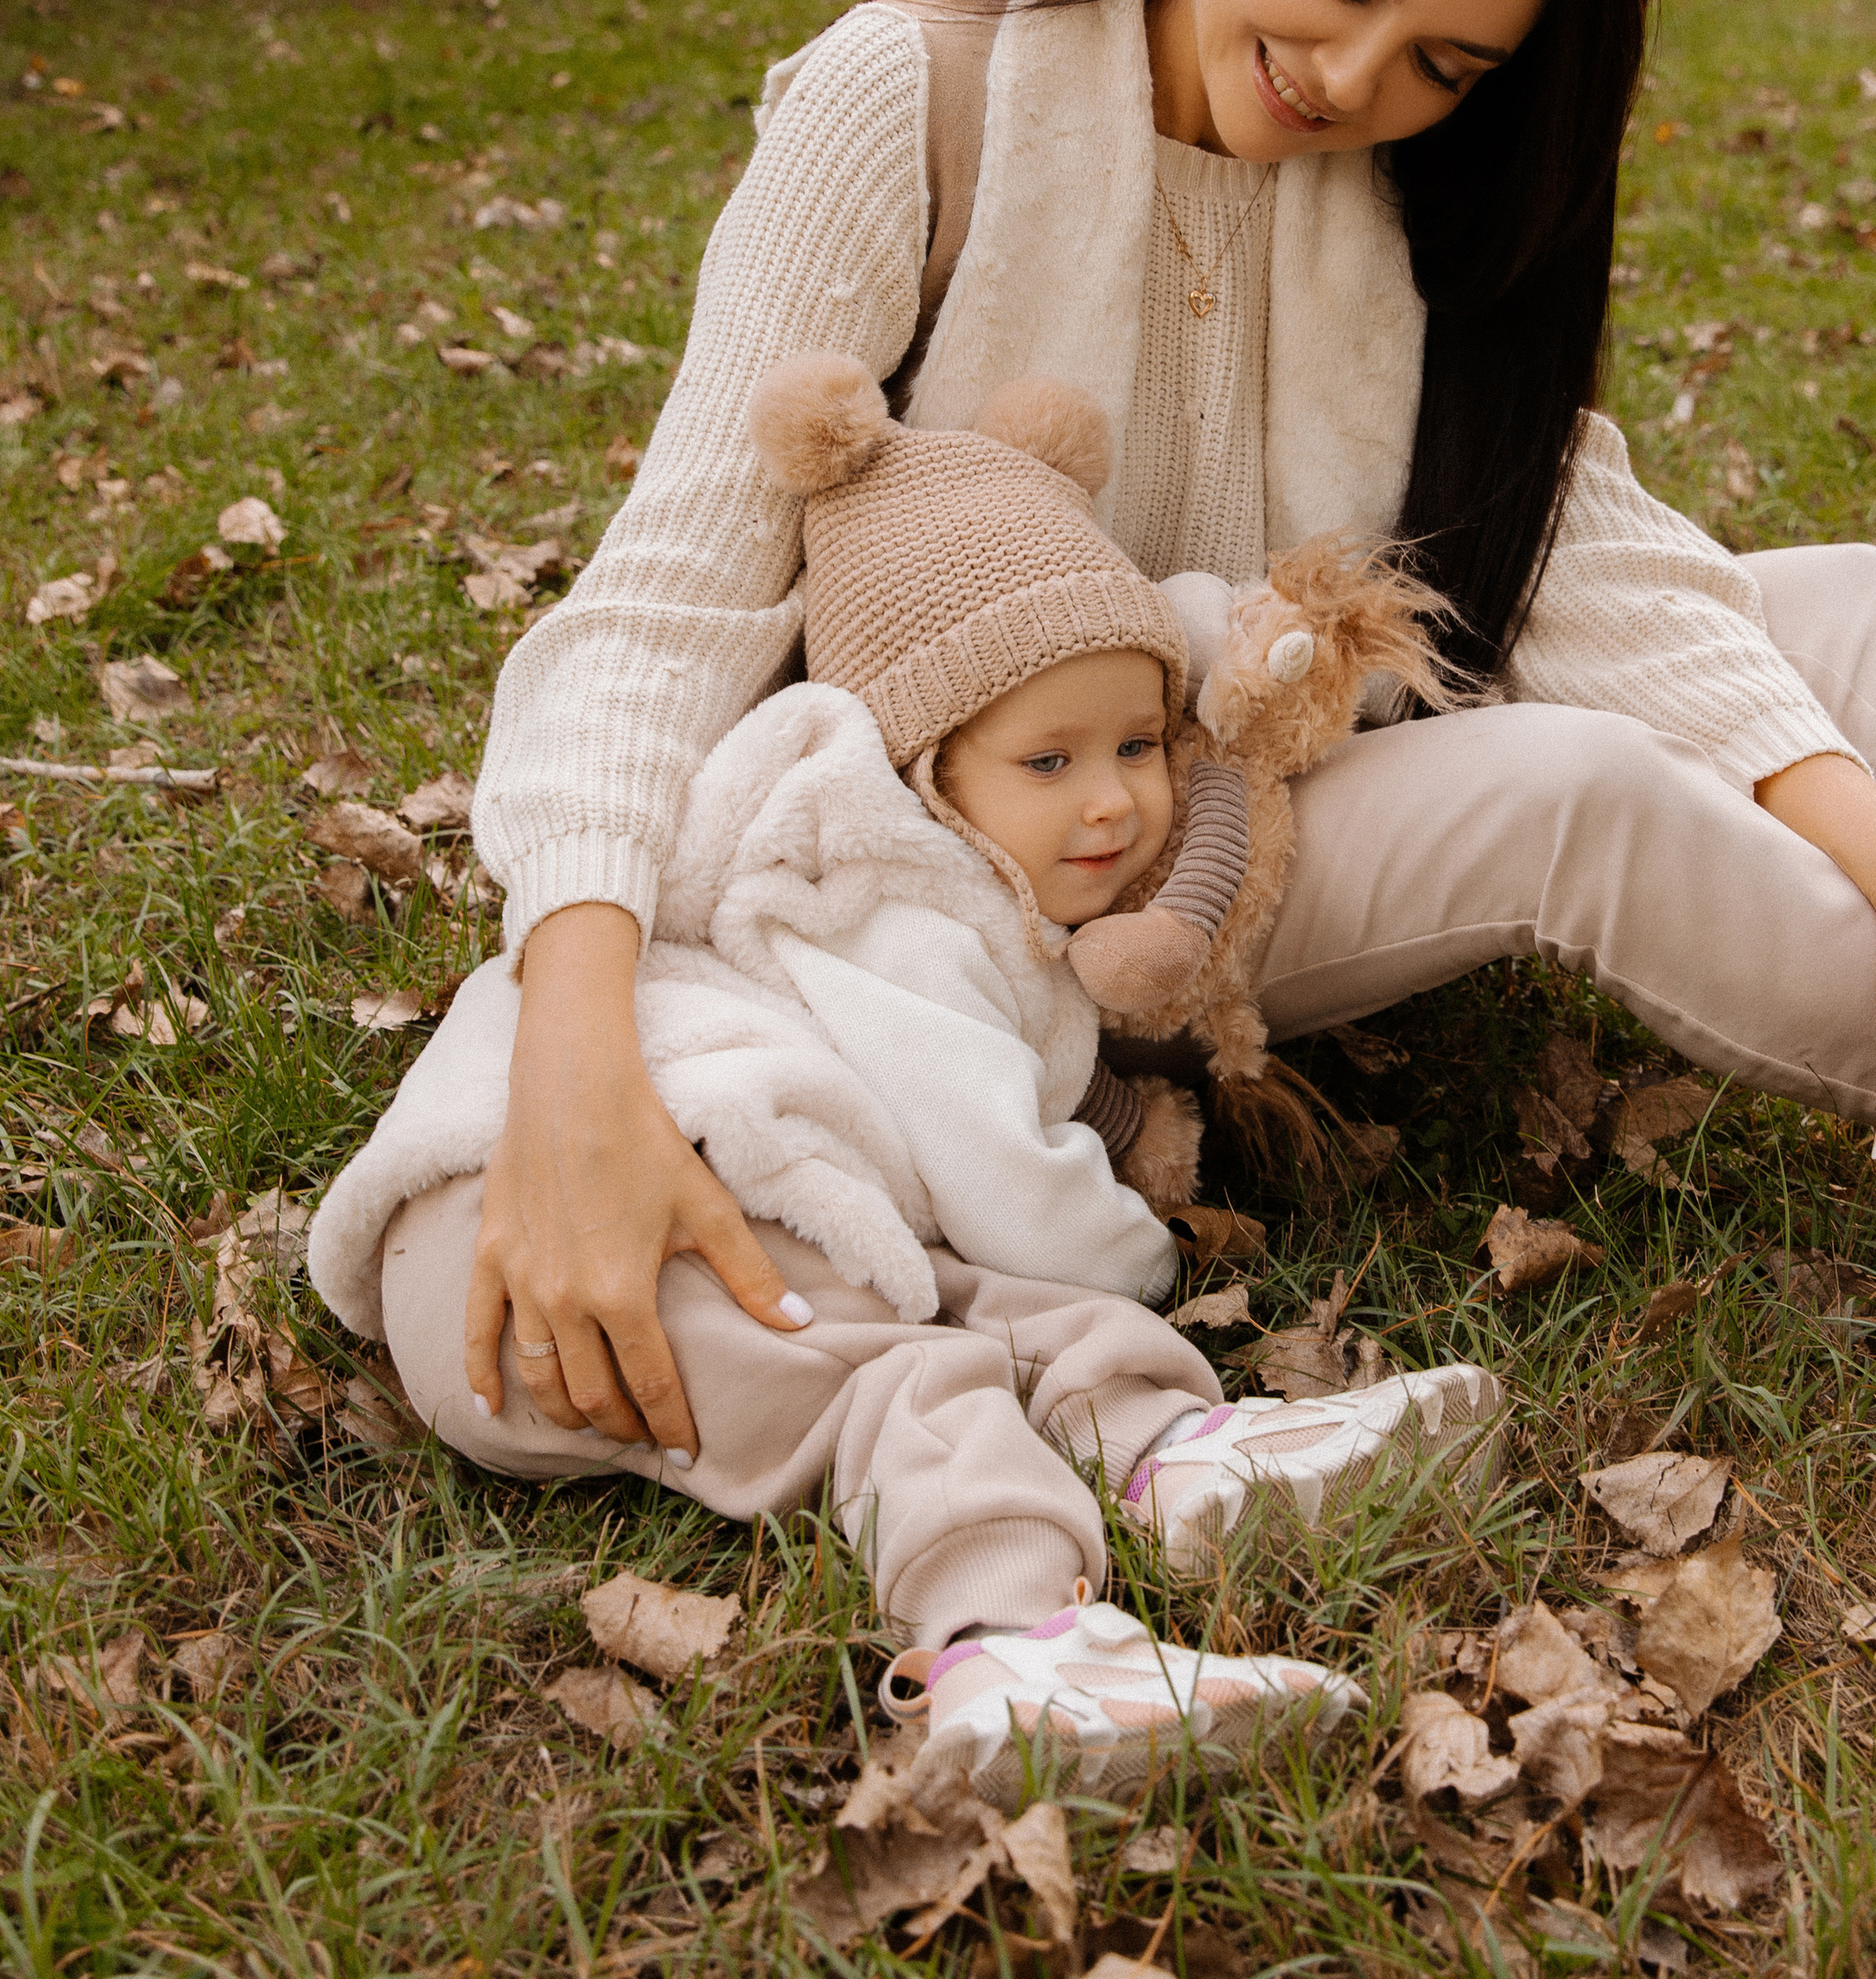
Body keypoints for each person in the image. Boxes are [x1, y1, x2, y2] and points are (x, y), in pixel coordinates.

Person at [448, 0, 1876, 1480]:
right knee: (1574, 787)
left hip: (1265, 743)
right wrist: (569, 1029)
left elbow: (1582, 555)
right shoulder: (912, 94)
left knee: (1847, 596)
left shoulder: (1407, 180)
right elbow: (664, 600)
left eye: (1442, 66)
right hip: (1043, 855)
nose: (1350, 83)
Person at [309, 367, 1503, 1806]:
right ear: (929, 764)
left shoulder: (945, 866)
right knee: (898, 1373)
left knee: (945, 1296)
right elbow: (992, 1160)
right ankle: (1013, 1650)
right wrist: (1130, 1259)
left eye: (1137, 745)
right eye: (1049, 760)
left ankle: (1173, 1458)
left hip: (742, 1186)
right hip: (520, 1254)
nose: (1113, 799)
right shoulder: (896, 894)